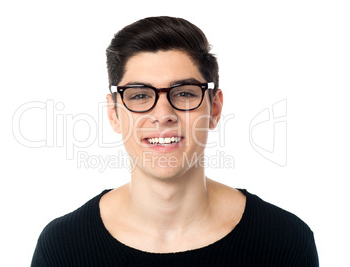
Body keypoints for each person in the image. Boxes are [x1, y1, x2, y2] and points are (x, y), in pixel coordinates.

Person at [31, 16, 319, 266]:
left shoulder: (286, 241)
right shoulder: (62, 245)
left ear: (214, 109)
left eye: (184, 93)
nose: (163, 115)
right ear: (114, 114)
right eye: (140, 95)